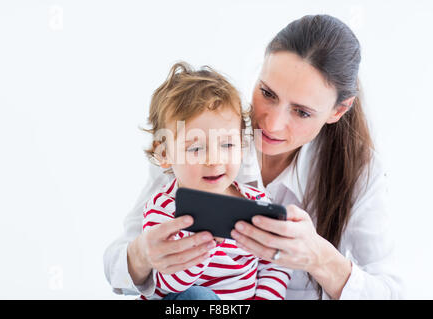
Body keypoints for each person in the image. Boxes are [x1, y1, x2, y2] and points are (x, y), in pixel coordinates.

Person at [104, 14, 403, 300]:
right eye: (268, 93)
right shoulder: (199, 135)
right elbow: (117, 264)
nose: (270, 125)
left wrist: (318, 257)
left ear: (337, 111)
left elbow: (391, 293)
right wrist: (144, 255)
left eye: (301, 112)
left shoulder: (361, 171)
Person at [137, 62, 291, 300]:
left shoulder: (255, 203)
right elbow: (169, 284)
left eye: (228, 145)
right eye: (196, 148)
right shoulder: (164, 212)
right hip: (183, 299)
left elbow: (276, 263)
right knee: (198, 297)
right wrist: (205, 245)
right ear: (165, 154)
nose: (214, 159)